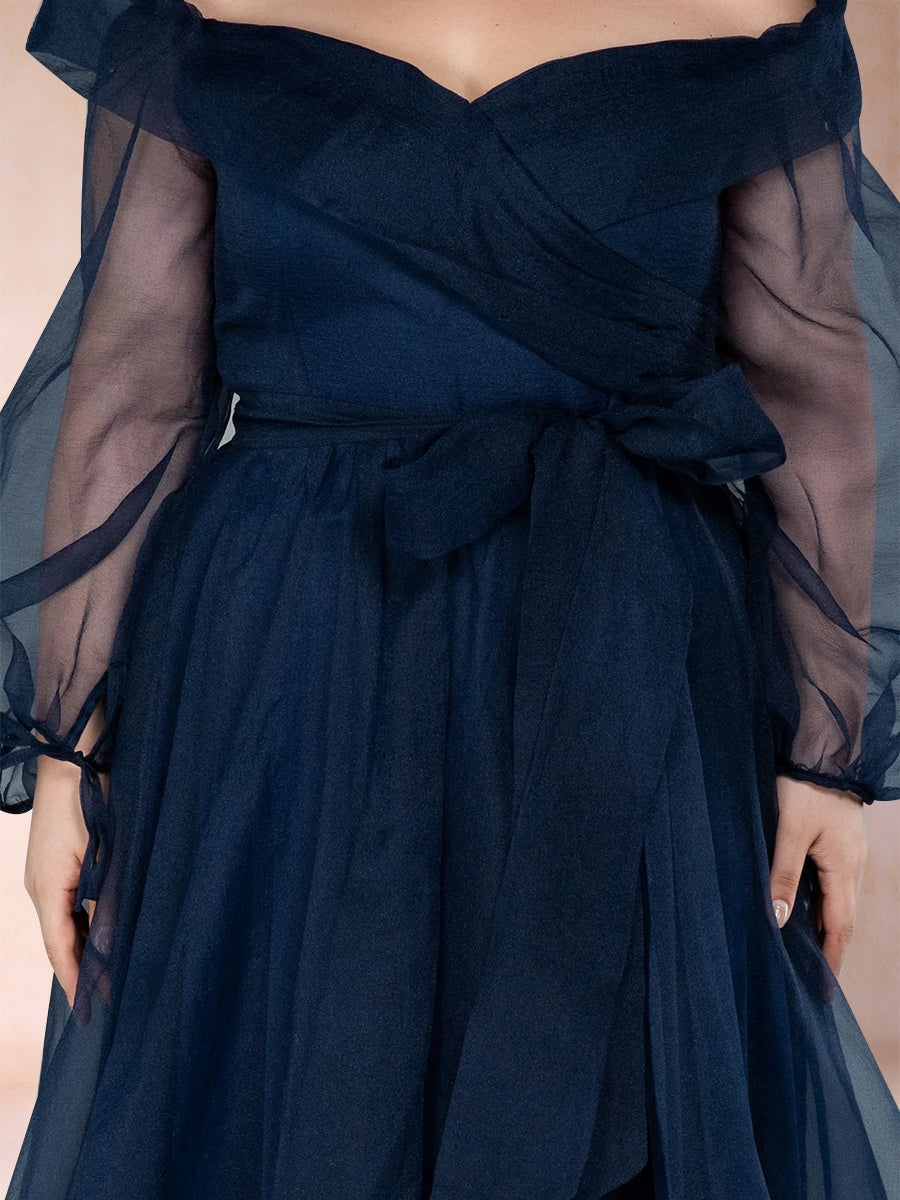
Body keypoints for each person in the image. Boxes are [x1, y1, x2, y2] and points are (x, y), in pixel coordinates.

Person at [2, 0, 899, 1194]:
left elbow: (818, 388)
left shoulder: (759, 15)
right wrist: (67, 752)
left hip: (621, 645)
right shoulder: (198, 14)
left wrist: (829, 759)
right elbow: (134, 389)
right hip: (293, 657)